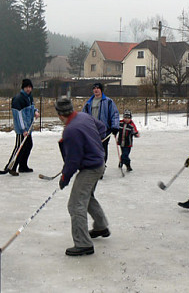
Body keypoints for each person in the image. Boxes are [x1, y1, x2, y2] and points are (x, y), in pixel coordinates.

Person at [55, 96, 110, 256]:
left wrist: (64, 178)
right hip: (99, 164)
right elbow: (102, 129)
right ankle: (101, 226)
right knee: (87, 197)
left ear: (60, 114)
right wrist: (91, 143)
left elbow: (73, 161)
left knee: (75, 204)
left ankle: (83, 243)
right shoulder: (84, 117)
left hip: (90, 168)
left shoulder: (71, 130)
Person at [0, 79, 40, 176]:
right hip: (22, 129)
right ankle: (11, 167)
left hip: (28, 128)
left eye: (30, 87)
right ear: (23, 88)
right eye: (26, 87)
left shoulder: (29, 97)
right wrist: (23, 129)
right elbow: (19, 116)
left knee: (28, 145)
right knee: (19, 147)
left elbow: (32, 108)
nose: (28, 89)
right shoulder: (18, 99)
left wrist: (35, 111)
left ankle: (23, 166)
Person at [82, 82, 119, 164]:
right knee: (92, 149)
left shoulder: (108, 102)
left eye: (98, 88)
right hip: (92, 130)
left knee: (102, 148)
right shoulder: (88, 103)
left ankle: (101, 167)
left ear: (101, 90)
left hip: (104, 130)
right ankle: (94, 166)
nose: (96, 90)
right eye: (94, 88)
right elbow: (83, 116)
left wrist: (115, 126)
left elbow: (114, 114)